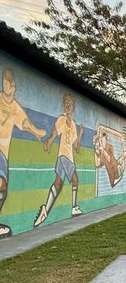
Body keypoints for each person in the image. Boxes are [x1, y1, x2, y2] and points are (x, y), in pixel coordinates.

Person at [0, 67, 47, 237]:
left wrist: (37, 133)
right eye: (3, 84)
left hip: (3, 153)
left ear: (13, 87)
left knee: (3, 189)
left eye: (8, 85)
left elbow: (25, 123)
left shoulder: (15, 108)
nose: (5, 88)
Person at [34, 93, 83, 227]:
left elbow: (76, 147)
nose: (68, 105)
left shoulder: (73, 124)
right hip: (64, 156)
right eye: (66, 103)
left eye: (70, 103)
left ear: (73, 106)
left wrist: (79, 135)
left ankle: (45, 211)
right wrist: (48, 142)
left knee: (58, 184)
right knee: (75, 180)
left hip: (68, 157)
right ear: (64, 106)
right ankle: (74, 208)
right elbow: (54, 133)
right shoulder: (61, 119)